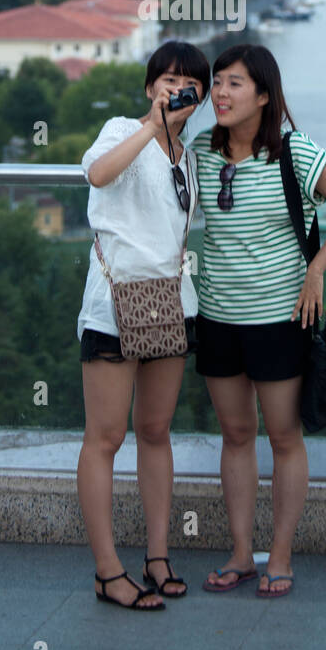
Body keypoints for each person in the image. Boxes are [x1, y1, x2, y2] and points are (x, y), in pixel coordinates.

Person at [188, 43, 326, 598]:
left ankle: (281, 556)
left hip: (280, 319)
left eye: (235, 83)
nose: (221, 93)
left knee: (285, 438)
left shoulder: (295, 152)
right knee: (236, 435)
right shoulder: (202, 150)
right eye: (218, 82)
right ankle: (242, 555)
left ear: (264, 95)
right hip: (218, 318)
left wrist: (317, 269)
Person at [76, 39, 210, 610]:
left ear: (200, 97)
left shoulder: (190, 156)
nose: (176, 88)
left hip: (171, 306)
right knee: (105, 438)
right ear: (151, 86)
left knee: (155, 431)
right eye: (167, 78)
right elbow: (98, 174)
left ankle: (158, 556)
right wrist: (151, 127)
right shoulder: (120, 129)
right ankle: (108, 571)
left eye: (189, 82)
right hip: (114, 307)